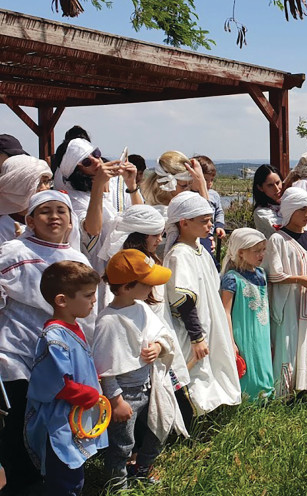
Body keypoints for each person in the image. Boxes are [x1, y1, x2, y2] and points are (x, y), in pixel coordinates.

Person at [0, 190, 92, 494]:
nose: (54, 217)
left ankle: (50, 480)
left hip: (59, 359)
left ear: (70, 220)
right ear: (30, 219)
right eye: (45, 211)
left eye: (60, 211)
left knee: (55, 425)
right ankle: (21, 484)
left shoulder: (76, 258)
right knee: (19, 425)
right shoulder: (13, 252)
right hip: (18, 354)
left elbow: (88, 310)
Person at [92, 250, 187, 489]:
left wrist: (158, 346)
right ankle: (118, 484)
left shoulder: (141, 307)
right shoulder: (108, 322)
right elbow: (105, 368)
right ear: (125, 287)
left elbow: (162, 334)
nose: (151, 289)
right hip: (125, 393)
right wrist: (116, 401)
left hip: (149, 385)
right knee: (122, 442)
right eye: (146, 284)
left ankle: (142, 468)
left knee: (158, 429)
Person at [25, 261, 106, 496]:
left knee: (75, 475)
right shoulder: (53, 337)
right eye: (88, 295)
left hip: (75, 419)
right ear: (62, 300)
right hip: (60, 421)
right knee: (63, 477)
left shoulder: (73, 328)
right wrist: (89, 394)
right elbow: (55, 381)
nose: (94, 300)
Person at [164, 192, 241, 420]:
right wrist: (197, 337)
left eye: (210, 219)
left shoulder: (199, 250)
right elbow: (183, 300)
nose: (210, 225)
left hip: (210, 318)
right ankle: (194, 419)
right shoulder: (179, 255)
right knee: (197, 372)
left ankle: (211, 413)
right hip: (193, 329)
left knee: (212, 366)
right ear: (184, 223)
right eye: (204, 221)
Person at [266, 188, 307, 398]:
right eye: (302, 210)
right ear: (290, 210)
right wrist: (299, 280)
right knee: (290, 342)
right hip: (290, 303)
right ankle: (286, 391)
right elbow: (273, 274)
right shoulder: (278, 240)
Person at [55, 138, 142, 268]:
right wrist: (98, 186)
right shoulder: (72, 198)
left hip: (128, 262)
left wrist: (132, 185)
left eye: (95, 153)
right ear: (77, 171)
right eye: (86, 162)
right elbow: (93, 229)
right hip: (98, 268)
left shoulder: (117, 183)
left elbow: (143, 218)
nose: (96, 161)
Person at [220, 228, 274, 402]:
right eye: (256, 251)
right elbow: (225, 311)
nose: (261, 254)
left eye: (263, 250)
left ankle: (265, 397)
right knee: (247, 365)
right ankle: (247, 402)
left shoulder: (262, 274)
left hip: (262, 330)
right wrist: (231, 340)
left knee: (262, 361)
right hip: (243, 331)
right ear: (241, 253)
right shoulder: (232, 278)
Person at [0, 155, 54, 244]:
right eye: (38, 184)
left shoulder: (53, 220)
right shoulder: (3, 227)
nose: (44, 188)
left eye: (46, 182)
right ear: (19, 187)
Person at [191, 155, 226, 265]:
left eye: (211, 180)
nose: (209, 183)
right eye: (205, 179)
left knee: (210, 262)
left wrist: (219, 226)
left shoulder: (214, 195)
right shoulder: (189, 195)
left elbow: (219, 211)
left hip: (208, 234)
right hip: (195, 235)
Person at [251, 164, 285, 238]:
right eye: (270, 185)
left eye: (278, 183)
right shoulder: (261, 212)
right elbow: (284, 230)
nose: (277, 189)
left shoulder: (286, 202)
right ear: (260, 188)